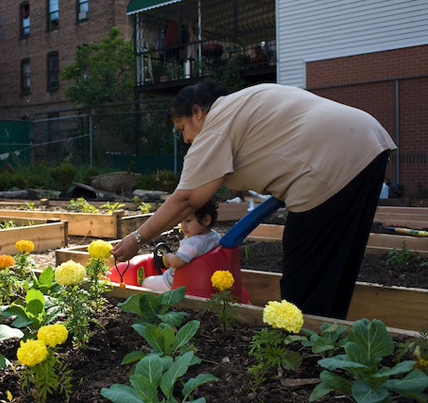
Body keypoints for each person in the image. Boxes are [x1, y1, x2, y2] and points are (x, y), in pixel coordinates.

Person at [112, 82, 397, 320]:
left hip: (330, 161)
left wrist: (137, 237)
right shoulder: (242, 104)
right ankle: (330, 341)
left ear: (197, 112)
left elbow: (187, 198)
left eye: (183, 128)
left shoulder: (215, 125)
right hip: (368, 142)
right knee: (338, 260)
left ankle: (304, 350)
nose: (186, 139)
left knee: (304, 268)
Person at [142, 199, 221, 292]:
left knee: (146, 282)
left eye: (188, 221)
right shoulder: (214, 236)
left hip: (174, 283)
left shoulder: (193, 242)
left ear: (206, 220)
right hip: (200, 280)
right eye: (181, 221)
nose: (183, 226)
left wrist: (168, 257)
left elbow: (177, 262)